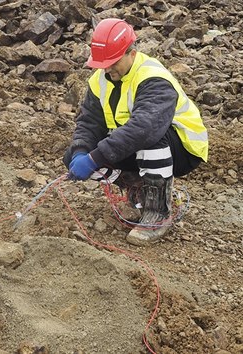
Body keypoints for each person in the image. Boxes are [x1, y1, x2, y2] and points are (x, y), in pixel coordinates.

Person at [63, 18, 208, 246]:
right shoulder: (98, 81)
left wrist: (95, 158)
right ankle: (139, 186)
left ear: (131, 53)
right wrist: (82, 152)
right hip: (136, 143)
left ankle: (158, 213)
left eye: (113, 61)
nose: (107, 69)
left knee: (148, 140)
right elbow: (89, 123)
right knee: (73, 154)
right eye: (103, 63)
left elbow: (144, 129)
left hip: (183, 149)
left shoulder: (153, 78)